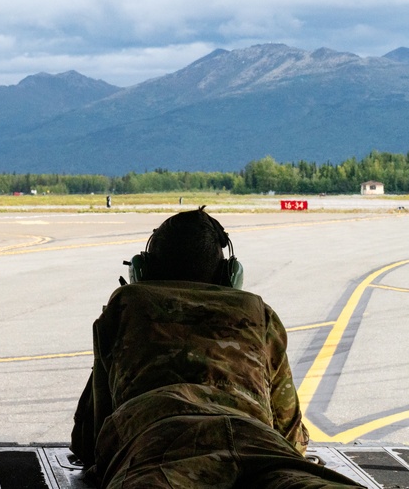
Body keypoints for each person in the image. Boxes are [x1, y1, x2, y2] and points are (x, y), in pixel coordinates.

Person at [70, 207, 364, 489]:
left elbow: (88, 437)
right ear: (229, 274)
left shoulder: (128, 305)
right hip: (255, 440)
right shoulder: (256, 312)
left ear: (142, 270)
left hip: (160, 444)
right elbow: (288, 429)